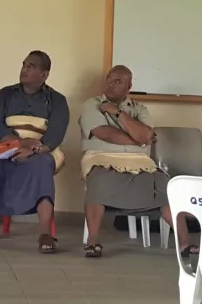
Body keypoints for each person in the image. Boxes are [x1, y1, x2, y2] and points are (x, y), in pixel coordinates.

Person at [78, 65, 195, 258]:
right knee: (98, 180)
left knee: (166, 186)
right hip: (101, 157)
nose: (111, 84)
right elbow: (105, 134)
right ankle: (93, 239)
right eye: (109, 79)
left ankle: (185, 242)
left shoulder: (139, 109)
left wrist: (117, 113)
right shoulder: (93, 104)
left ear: (129, 87)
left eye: (118, 81)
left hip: (139, 161)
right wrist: (138, 138)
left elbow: (146, 134)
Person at [0, 51, 69, 253]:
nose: (25, 69)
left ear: (45, 74)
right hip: (7, 144)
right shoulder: (6, 94)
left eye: (31, 66)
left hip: (41, 150)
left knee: (40, 166)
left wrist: (34, 148)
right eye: (24, 64)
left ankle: (45, 233)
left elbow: (55, 134)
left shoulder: (57, 100)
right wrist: (19, 143)